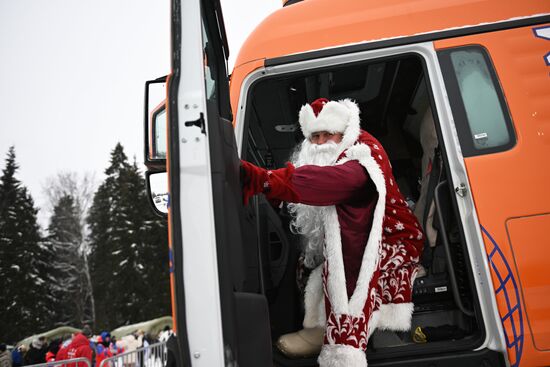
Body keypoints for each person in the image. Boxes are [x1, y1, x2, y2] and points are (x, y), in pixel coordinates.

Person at [240, 98, 424, 367]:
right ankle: (317, 327)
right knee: (307, 266)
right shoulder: (333, 155)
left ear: (345, 133)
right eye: (315, 136)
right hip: (360, 238)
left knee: (346, 272)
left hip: (393, 242)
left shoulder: (363, 156)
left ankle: (340, 344)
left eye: (329, 134)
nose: (321, 142)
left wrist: (262, 179)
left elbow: (331, 182)